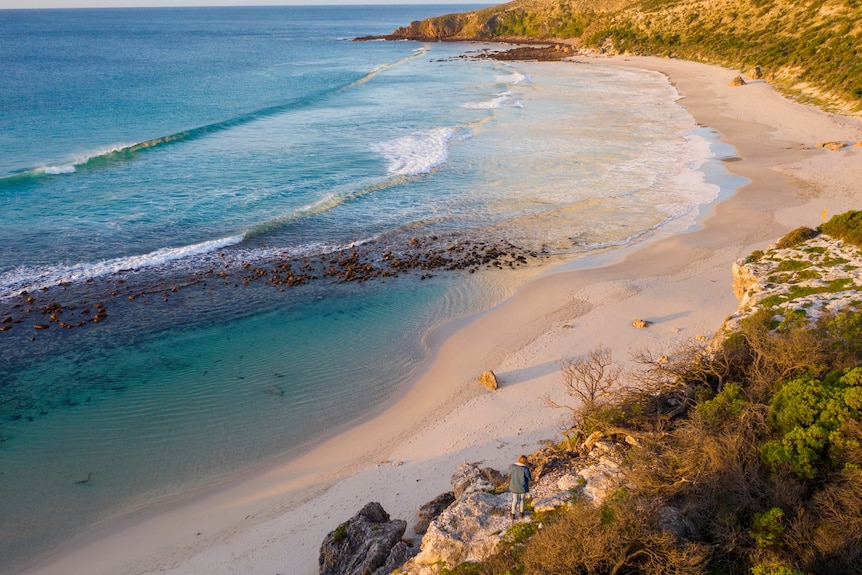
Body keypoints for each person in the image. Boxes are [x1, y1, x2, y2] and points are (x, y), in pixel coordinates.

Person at [508, 455, 532, 521]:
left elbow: (509, 474)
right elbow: (529, 478)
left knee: (515, 499)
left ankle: (513, 514)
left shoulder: (512, 466)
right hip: (523, 486)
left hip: (514, 486)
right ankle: (521, 513)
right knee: (522, 499)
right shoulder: (525, 469)